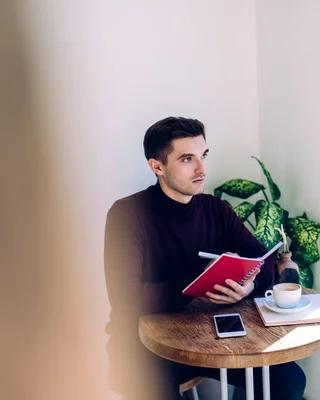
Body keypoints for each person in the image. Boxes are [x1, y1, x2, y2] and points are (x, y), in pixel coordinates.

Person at [104, 117, 306, 400]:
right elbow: (126, 298)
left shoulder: (215, 209)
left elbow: (266, 261)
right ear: (157, 166)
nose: (201, 169)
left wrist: (250, 285)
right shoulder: (127, 214)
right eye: (187, 159)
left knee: (289, 380)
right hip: (144, 345)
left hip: (208, 334)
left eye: (204, 156)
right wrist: (201, 283)